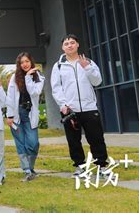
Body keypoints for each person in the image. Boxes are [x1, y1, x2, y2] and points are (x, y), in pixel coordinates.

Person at [51, 34, 108, 176]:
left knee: (96, 138)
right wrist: (63, 104)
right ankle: (81, 167)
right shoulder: (58, 66)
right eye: (66, 44)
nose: (69, 45)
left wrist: (87, 68)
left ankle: (101, 165)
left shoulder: (88, 62)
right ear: (62, 48)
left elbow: (97, 81)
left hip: (89, 108)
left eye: (72, 42)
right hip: (70, 110)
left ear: (77, 45)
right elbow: (56, 88)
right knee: (74, 141)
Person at [6, 52, 45, 182]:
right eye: (22, 62)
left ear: (31, 62)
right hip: (17, 113)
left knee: (33, 143)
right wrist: (9, 115)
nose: (25, 64)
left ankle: (30, 167)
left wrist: (28, 77)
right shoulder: (14, 77)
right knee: (21, 143)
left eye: (27, 61)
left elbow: (35, 92)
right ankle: (27, 170)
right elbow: (10, 97)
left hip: (30, 114)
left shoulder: (38, 76)